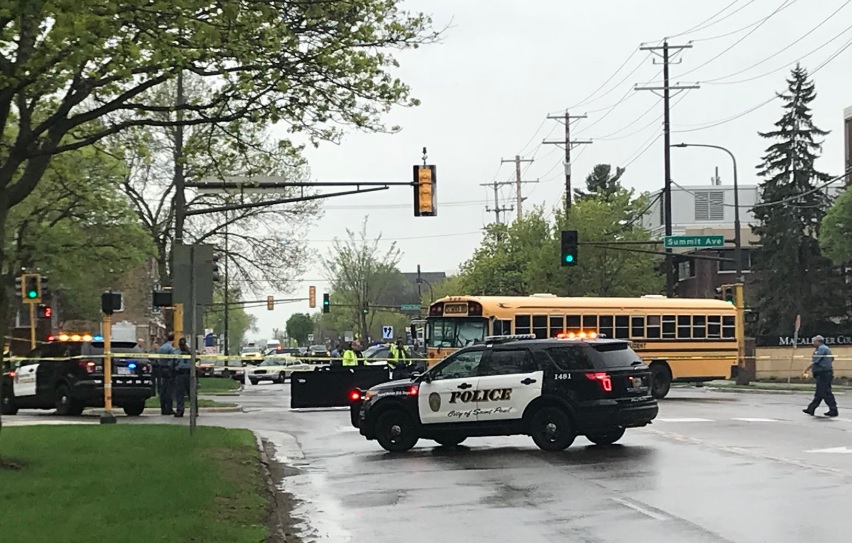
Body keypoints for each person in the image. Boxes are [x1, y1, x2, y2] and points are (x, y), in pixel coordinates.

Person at [802, 335, 838, 417]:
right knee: (819, 392)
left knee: (825, 392)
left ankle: (833, 409)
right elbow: (832, 359)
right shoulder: (826, 348)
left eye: (814, 341)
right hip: (825, 372)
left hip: (823, 374)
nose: (813, 343)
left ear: (818, 341)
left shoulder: (821, 349)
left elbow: (815, 361)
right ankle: (811, 408)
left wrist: (806, 370)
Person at [156, 333, 177, 415]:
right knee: (169, 390)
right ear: (174, 339)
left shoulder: (162, 348)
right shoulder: (171, 349)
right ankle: (169, 408)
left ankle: (163, 408)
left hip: (161, 369)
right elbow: (173, 360)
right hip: (168, 370)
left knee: (163, 390)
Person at [173, 337, 192, 418]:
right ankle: (180, 410)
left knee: (191, 393)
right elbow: (173, 362)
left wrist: (189, 352)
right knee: (179, 394)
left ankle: (194, 410)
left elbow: (197, 359)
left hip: (189, 374)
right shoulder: (176, 352)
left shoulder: (190, 352)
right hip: (180, 374)